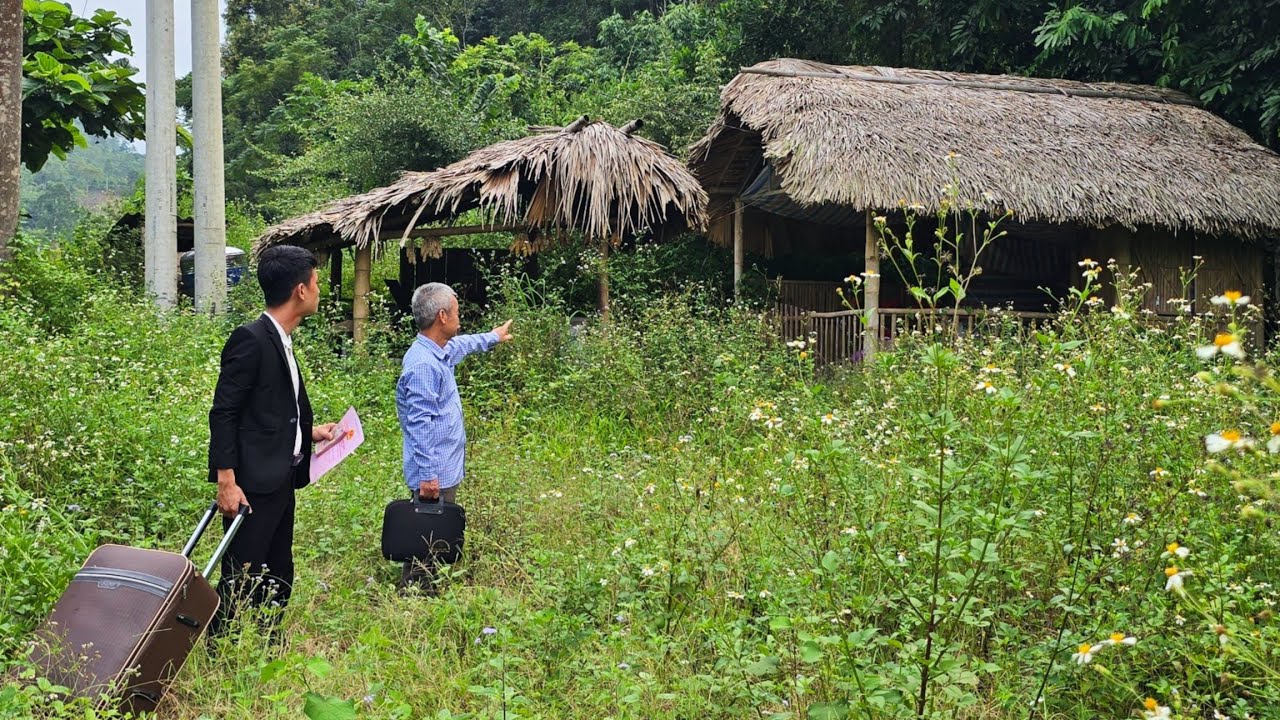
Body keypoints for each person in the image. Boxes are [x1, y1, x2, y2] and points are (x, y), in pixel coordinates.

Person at [207, 245, 336, 635]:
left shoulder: (281, 339)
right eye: (316, 282)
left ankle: (267, 642)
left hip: (281, 477)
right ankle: (218, 646)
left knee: (279, 570)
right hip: (252, 484)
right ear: (300, 290)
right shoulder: (251, 339)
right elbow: (224, 412)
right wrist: (226, 481)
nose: (319, 290)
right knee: (240, 572)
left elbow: (268, 408)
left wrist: (309, 433)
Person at [396, 282, 512, 589]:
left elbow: (462, 345)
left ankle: (424, 584)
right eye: (457, 311)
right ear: (443, 316)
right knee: (427, 532)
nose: (461, 318)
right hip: (434, 471)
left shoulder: (438, 350)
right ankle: (415, 593)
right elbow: (420, 426)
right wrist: (428, 476)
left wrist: (493, 337)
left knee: (435, 528)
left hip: (444, 465)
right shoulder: (422, 365)